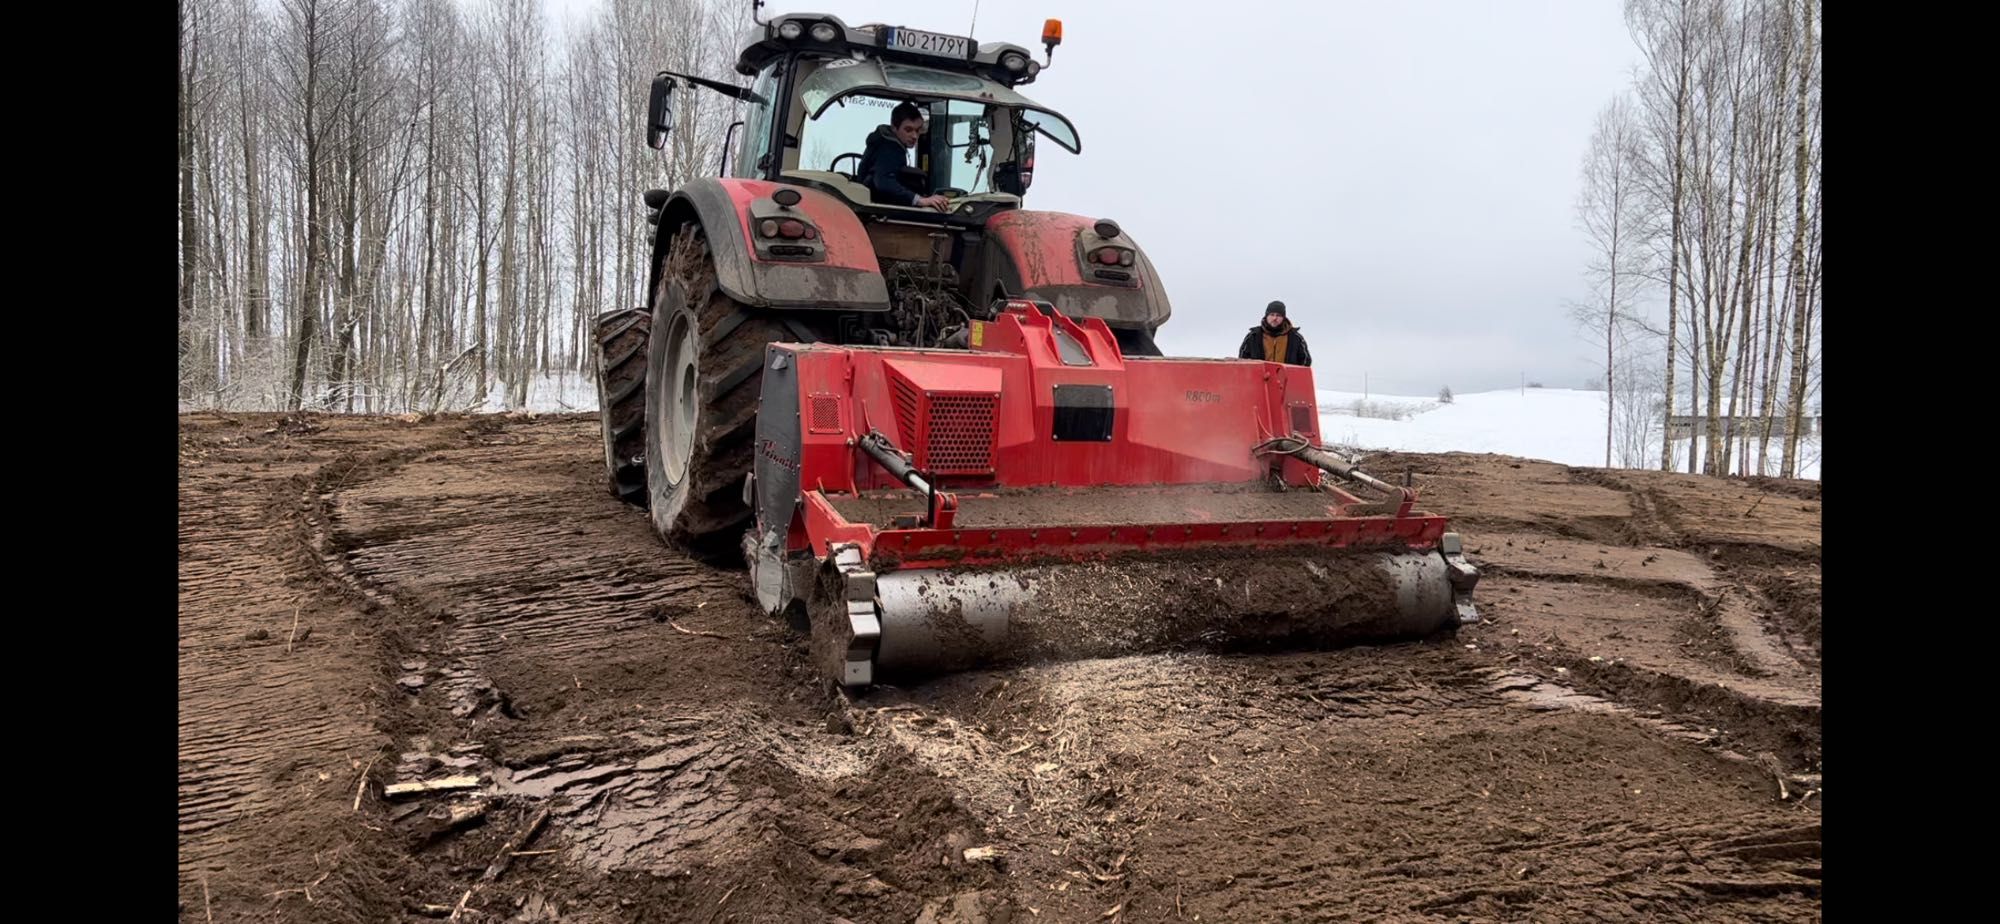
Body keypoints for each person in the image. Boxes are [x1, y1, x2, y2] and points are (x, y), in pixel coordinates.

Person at [859, 101, 949, 211]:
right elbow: (884, 182)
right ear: (894, 128)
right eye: (908, 130)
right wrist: (920, 200)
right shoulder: (890, 148)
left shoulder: (883, 142)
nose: (915, 136)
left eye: (917, 130)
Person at [1237, 301, 1312, 366]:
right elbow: (1242, 361)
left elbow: (1305, 361)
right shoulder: (1253, 336)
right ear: (1266, 316)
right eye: (1272, 314)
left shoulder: (1295, 338)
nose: (1274, 318)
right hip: (1259, 380)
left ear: (1283, 318)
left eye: (1278, 315)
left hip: (1286, 380)